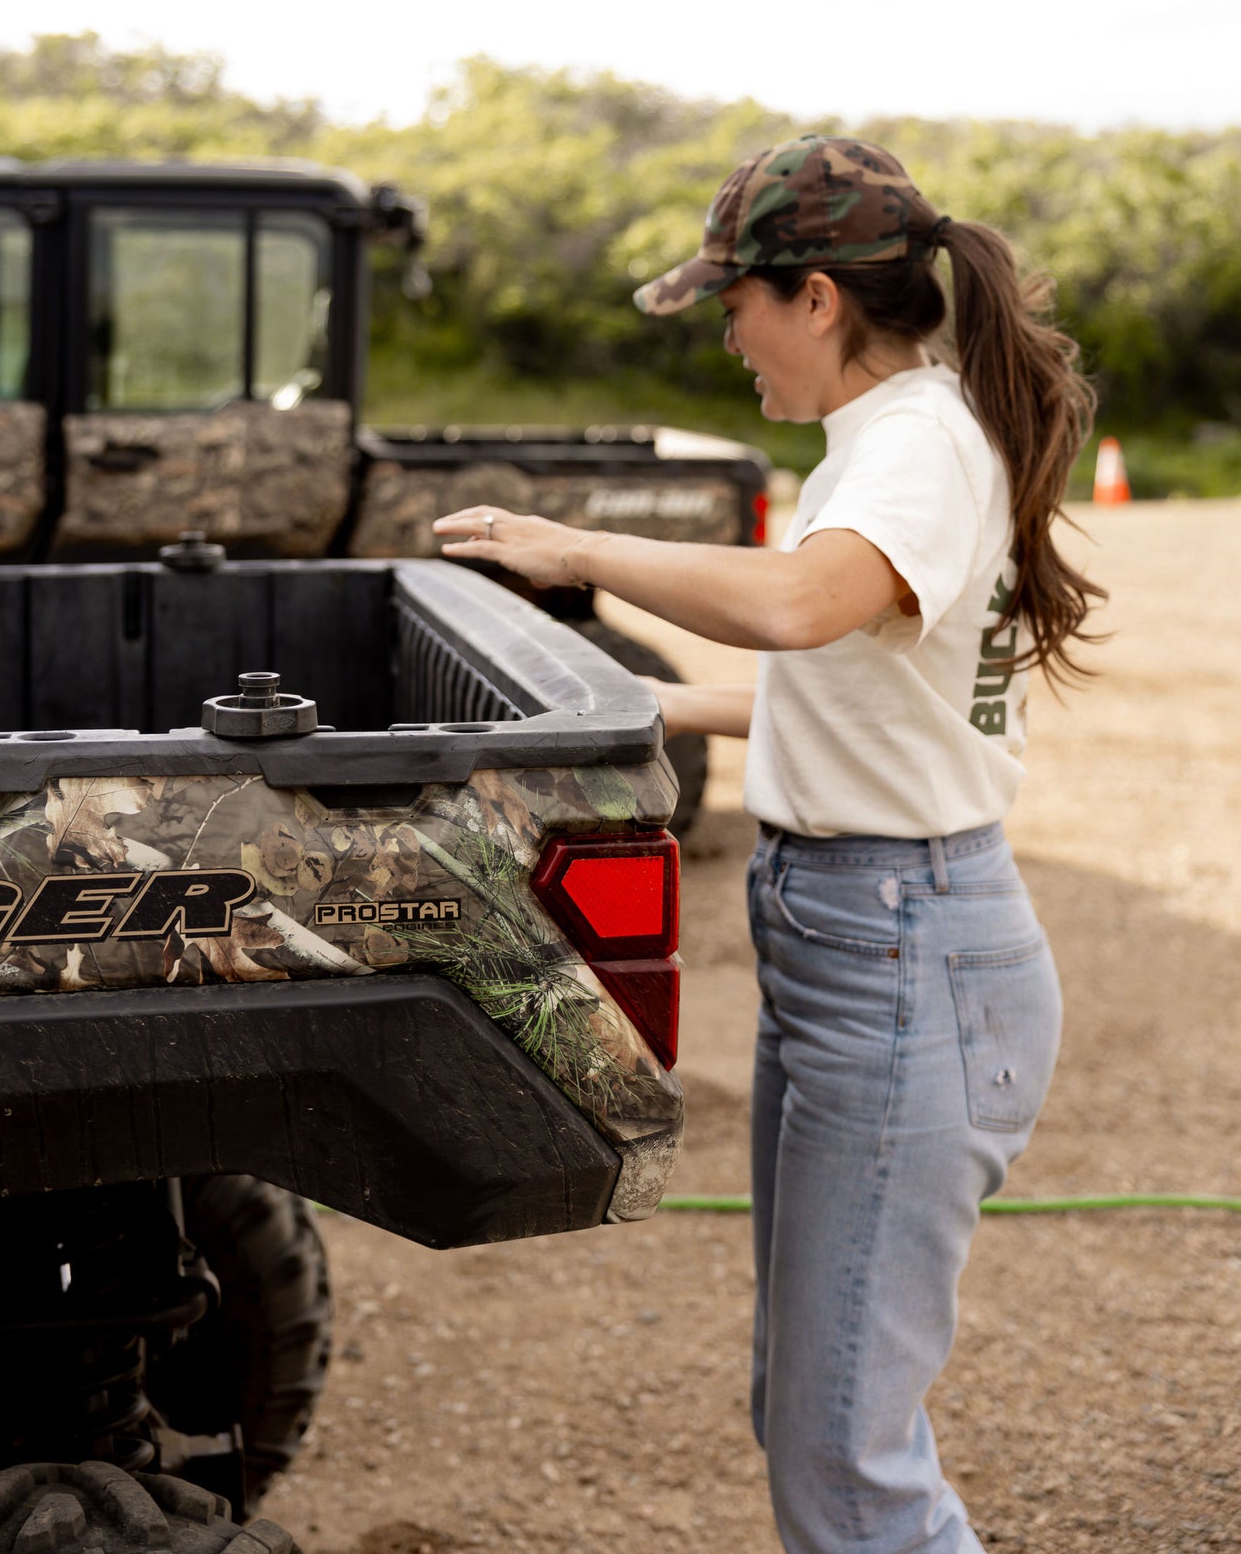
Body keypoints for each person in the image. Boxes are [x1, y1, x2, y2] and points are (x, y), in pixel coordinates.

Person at [433, 132, 1104, 1554]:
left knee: (843, 1458)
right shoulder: (893, 442)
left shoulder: (914, 447)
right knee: (809, 1416)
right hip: (872, 936)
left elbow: (802, 609)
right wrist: (641, 704)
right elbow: (863, 691)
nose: (726, 337)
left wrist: (582, 550)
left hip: (902, 948)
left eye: (733, 303)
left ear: (813, 297)